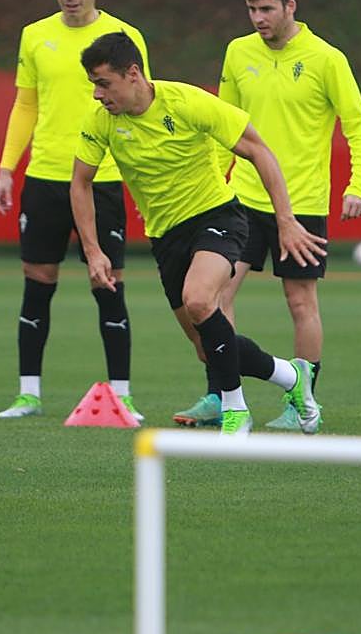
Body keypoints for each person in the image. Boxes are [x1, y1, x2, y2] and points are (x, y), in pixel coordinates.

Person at [72, 31, 327, 435]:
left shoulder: (186, 102)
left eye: (104, 83)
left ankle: (235, 410)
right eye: (93, 84)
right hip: (165, 236)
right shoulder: (100, 121)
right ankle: (290, 376)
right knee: (207, 348)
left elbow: (258, 149)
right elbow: (80, 182)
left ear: (133, 74)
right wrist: (93, 250)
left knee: (199, 299)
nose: (97, 95)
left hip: (217, 215)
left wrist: (286, 220)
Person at [172, 0, 361, 429]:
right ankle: (222, 396)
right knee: (215, 295)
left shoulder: (327, 59)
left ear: (290, 6)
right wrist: (212, 182)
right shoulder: (237, 52)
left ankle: (301, 402)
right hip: (241, 198)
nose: (258, 18)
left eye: (266, 8)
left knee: (300, 303)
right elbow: (221, 124)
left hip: (301, 204)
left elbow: (358, 124)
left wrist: (358, 184)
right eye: (251, 9)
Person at [0, 0, 149, 421]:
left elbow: (141, 106)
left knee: (109, 284)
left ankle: (122, 395)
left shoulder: (125, 36)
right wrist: (6, 168)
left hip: (103, 178)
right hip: (46, 177)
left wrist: (144, 176)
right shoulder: (35, 36)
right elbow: (26, 105)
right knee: (38, 284)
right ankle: (28, 394)